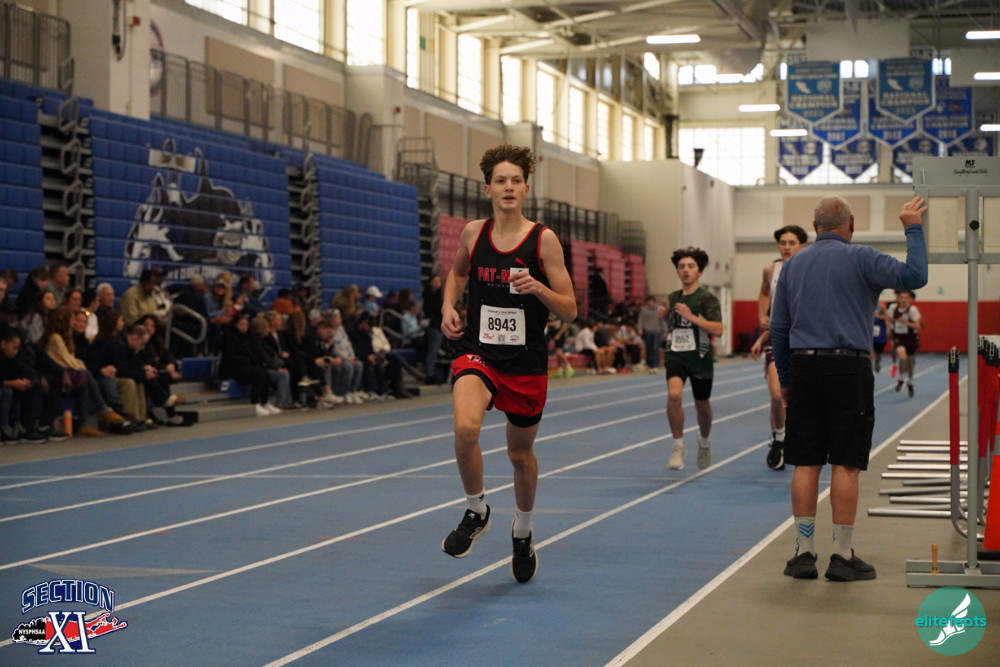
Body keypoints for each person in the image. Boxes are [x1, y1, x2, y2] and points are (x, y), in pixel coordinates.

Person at [770, 195, 928, 582]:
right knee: (846, 461)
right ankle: (841, 555)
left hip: (804, 366)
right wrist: (912, 227)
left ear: (815, 226)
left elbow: (779, 328)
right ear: (851, 223)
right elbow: (915, 277)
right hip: (848, 367)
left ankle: (804, 553)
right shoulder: (863, 257)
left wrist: (786, 380)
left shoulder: (793, 265)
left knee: (806, 461)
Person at [439, 143, 577, 584]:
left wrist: (538, 287)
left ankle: (523, 529)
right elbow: (457, 273)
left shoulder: (543, 240)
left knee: (519, 454)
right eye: (500, 181)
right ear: (488, 190)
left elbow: (570, 309)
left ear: (526, 189)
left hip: (525, 361)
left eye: (516, 180)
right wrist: (448, 305)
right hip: (478, 351)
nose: (509, 187)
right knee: (465, 428)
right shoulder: (472, 234)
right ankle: (476, 510)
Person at [749, 225, 808, 470]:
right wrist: (762, 318)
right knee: (777, 395)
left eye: (791, 243)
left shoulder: (810, 268)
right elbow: (764, 293)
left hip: (805, 339)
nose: (786, 247)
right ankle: (779, 440)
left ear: (802, 246)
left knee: (800, 397)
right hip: (778, 340)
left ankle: (799, 437)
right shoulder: (770, 269)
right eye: (782, 243)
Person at [661, 247, 724, 471]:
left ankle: (704, 442)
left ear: (699, 272)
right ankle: (678, 445)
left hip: (700, 357)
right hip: (676, 355)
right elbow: (673, 325)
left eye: (690, 266)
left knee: (702, 406)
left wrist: (691, 316)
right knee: (674, 396)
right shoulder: (672, 297)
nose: (685, 270)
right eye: (681, 267)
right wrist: (664, 316)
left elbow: (718, 329)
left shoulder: (707, 299)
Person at [887, 289, 923, 397]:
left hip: (910, 337)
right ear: (898, 298)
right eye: (901, 297)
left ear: (910, 299)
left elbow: (918, 326)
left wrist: (906, 322)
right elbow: (888, 318)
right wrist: (889, 328)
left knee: (910, 363)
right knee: (902, 356)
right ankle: (901, 378)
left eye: (906, 298)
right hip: (898, 336)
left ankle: (910, 381)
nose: (903, 300)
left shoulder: (912, 310)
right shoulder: (893, 308)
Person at [637, 295, 665, 372]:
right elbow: (641, 320)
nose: (650, 303)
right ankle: (649, 364)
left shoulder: (658, 310)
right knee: (648, 348)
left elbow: (662, 320)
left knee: (655, 348)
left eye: (652, 301)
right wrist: (640, 329)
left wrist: (665, 330)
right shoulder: (644, 311)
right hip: (648, 331)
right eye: (649, 301)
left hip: (657, 331)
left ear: (654, 301)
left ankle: (655, 365)